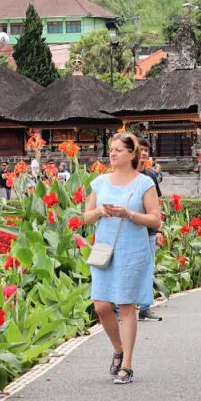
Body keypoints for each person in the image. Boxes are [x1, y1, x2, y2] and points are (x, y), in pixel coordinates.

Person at [83, 133, 161, 385]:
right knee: (101, 306)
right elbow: (86, 217)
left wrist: (129, 214)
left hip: (132, 249)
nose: (113, 154)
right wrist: (99, 211)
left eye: (118, 150)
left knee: (126, 306)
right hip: (105, 249)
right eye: (111, 149)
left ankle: (127, 363)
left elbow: (155, 219)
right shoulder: (100, 182)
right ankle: (118, 348)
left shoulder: (144, 183)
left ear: (131, 153)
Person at [137, 137, 163, 322]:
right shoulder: (123, 175)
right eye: (140, 149)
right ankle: (117, 306)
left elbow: (157, 205)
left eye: (146, 150)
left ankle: (145, 306)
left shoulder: (151, 176)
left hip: (149, 231)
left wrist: (160, 229)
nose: (144, 153)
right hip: (130, 230)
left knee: (147, 268)